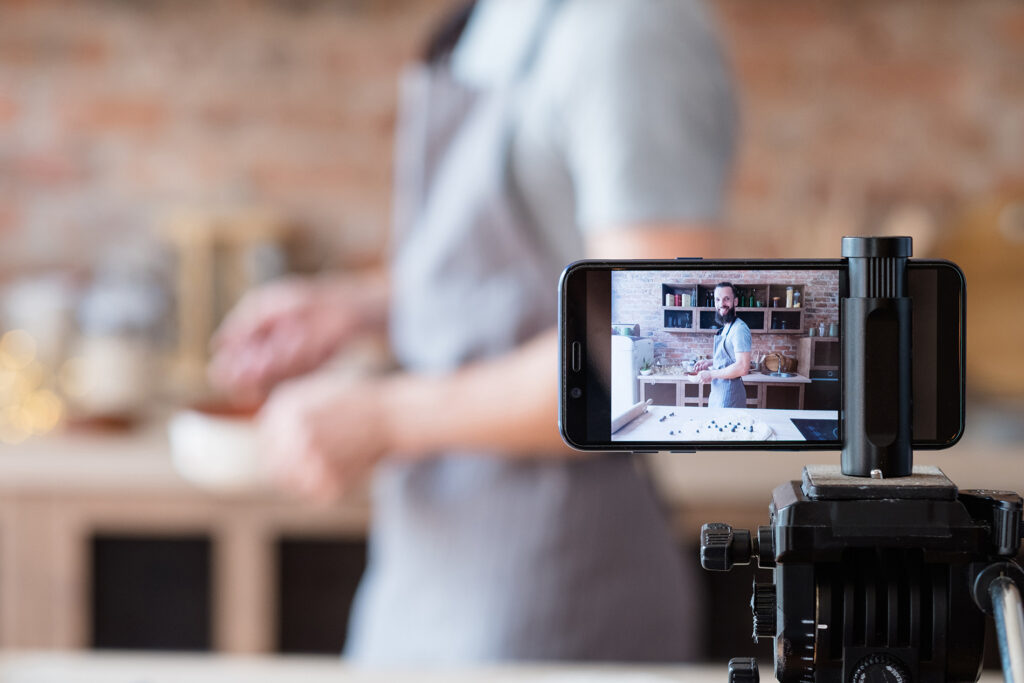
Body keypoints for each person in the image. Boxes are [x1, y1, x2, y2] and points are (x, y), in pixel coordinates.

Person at [210, 0, 737, 664]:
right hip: (426, 583)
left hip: (550, 599)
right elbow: (518, 282)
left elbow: (662, 357)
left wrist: (384, 417)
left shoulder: (632, 30)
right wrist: (364, 306)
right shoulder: (501, 20)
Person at [694, 282, 751, 407]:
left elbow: (743, 367)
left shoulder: (739, 329)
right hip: (718, 392)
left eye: (726, 299)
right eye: (718, 300)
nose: (721, 304)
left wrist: (711, 374)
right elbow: (728, 360)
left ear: (735, 302)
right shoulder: (726, 327)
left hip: (730, 396)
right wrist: (709, 362)